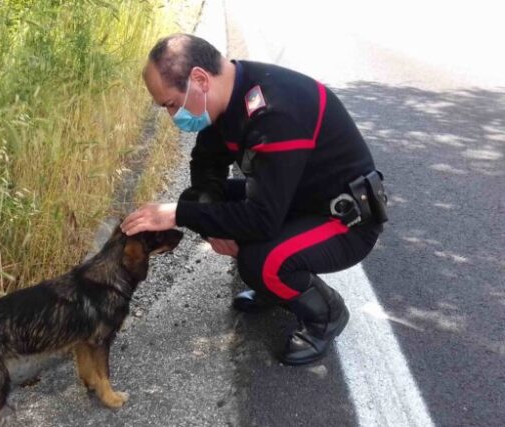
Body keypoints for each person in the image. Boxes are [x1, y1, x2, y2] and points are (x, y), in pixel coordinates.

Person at [121, 33, 387, 365]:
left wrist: (179, 214)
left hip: (343, 223)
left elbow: (262, 219)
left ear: (200, 79)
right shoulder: (228, 100)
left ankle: (328, 314)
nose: (172, 116)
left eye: (171, 104)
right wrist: (204, 215)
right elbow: (206, 165)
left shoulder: (274, 112)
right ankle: (275, 288)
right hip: (295, 201)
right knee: (200, 201)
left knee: (261, 261)